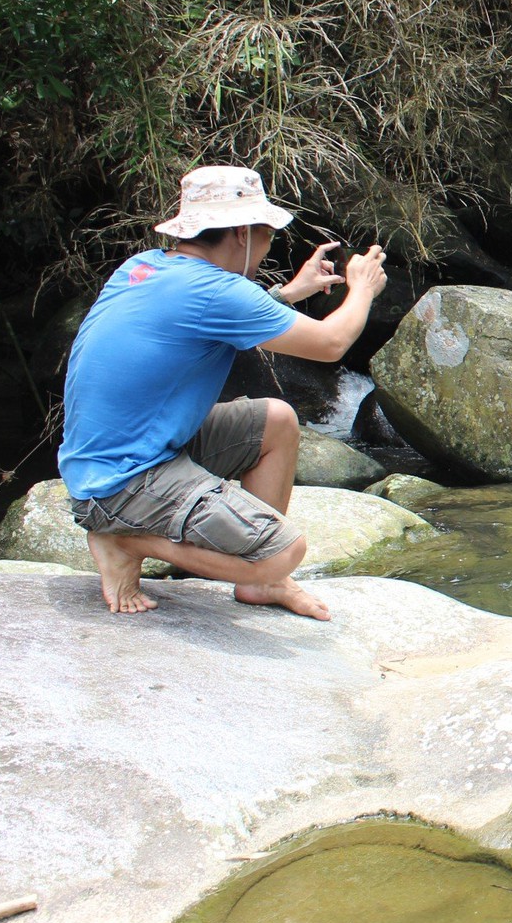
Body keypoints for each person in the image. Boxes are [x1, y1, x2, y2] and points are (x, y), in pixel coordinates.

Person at [58, 165, 389, 618]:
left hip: (116, 458)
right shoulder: (215, 291)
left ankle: (262, 588)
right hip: (122, 481)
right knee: (280, 552)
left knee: (276, 420)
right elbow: (331, 344)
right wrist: (363, 289)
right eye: (268, 233)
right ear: (240, 233)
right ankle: (122, 539)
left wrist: (293, 292)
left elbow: (214, 315)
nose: (269, 243)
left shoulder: (144, 267)